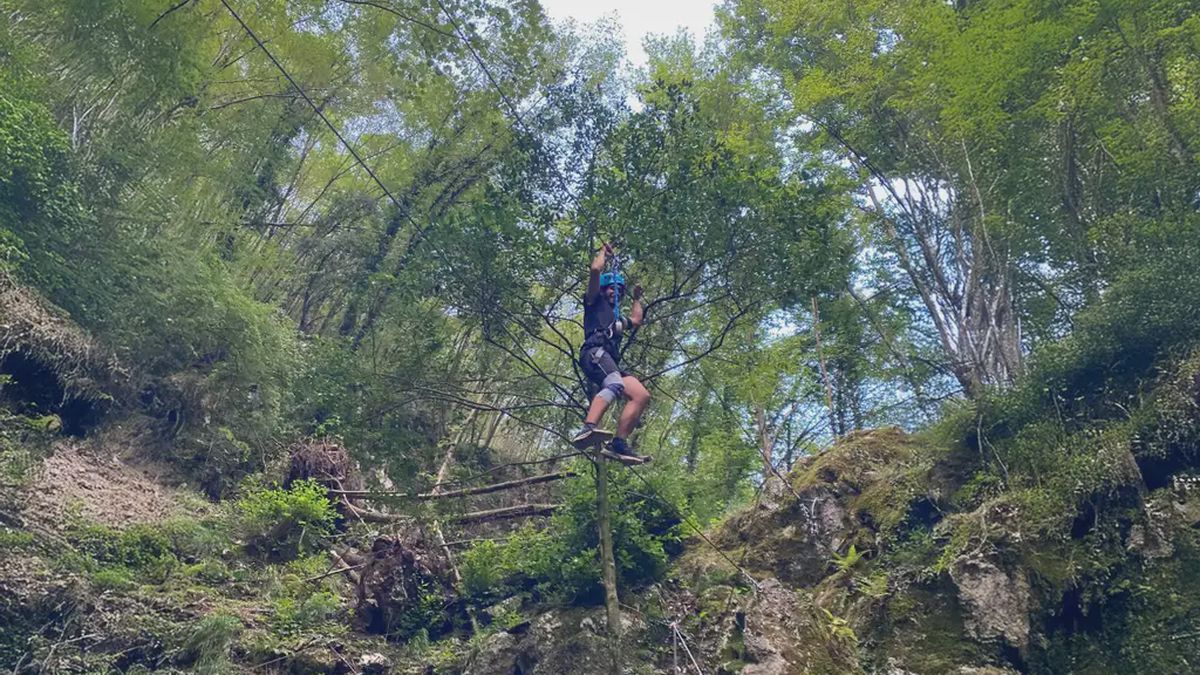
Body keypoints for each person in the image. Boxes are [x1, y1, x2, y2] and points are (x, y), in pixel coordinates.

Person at [572, 242, 651, 457]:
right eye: (612, 289)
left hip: (609, 361)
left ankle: (618, 443)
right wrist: (603, 254)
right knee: (614, 383)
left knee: (640, 395)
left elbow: (636, 320)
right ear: (604, 290)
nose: (616, 294)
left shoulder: (615, 320)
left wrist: (636, 298)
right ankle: (587, 428)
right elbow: (595, 270)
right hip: (593, 353)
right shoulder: (593, 302)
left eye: (620, 292)